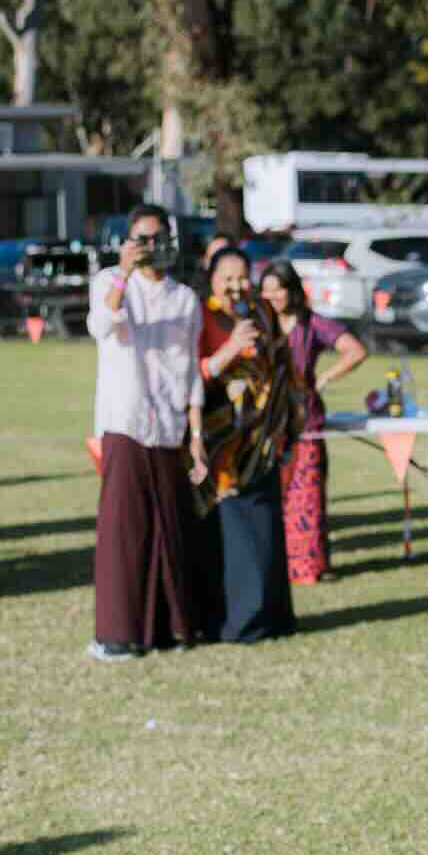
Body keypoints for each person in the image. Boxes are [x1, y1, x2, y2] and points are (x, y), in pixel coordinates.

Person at [85, 203, 205, 661]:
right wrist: (122, 275)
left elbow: (191, 370)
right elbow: (100, 325)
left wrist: (195, 435)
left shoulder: (184, 299)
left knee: (167, 530)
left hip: (170, 425)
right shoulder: (111, 283)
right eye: (141, 237)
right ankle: (116, 633)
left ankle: (170, 627)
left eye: (157, 237)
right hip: (125, 420)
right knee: (124, 531)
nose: (150, 246)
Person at [189, 246, 302, 643]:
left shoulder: (262, 311)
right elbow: (190, 376)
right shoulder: (200, 315)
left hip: (264, 440)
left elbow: (283, 364)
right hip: (221, 447)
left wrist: (287, 420)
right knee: (233, 540)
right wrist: (230, 349)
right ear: (212, 278)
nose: (236, 287)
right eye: (227, 278)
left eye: (242, 277)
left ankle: (274, 618)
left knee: (266, 536)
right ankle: (237, 623)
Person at [259, 262, 366, 584]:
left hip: (305, 425)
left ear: (292, 290)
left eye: (278, 287)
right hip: (266, 426)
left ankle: (310, 567)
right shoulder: (259, 325)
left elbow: (355, 351)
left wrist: (324, 378)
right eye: (266, 288)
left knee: (306, 501)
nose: (272, 295)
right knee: (270, 501)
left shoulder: (314, 325)